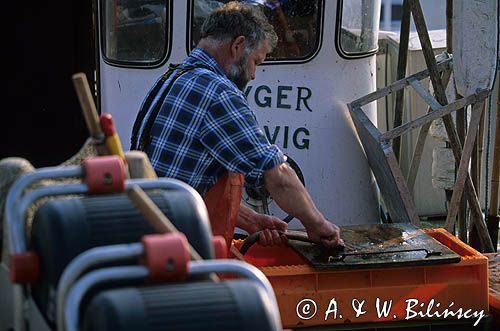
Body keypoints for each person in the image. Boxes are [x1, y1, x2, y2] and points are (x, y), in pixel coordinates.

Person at [131, 1, 343, 250]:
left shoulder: (172, 78)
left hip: (148, 233)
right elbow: (277, 175)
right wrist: (318, 225)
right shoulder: (217, 92)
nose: (253, 74)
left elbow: (188, 181)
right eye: (256, 61)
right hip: (173, 247)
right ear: (238, 46)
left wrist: (250, 220)